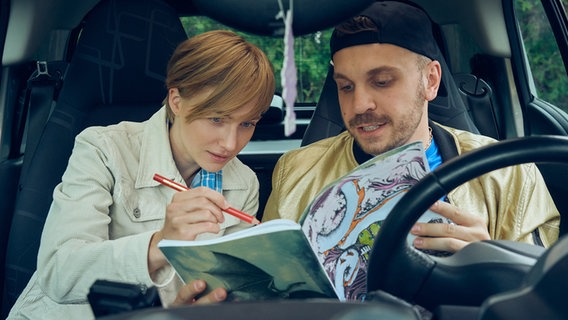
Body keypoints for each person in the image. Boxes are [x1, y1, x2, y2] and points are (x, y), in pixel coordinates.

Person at [262, 0, 560, 301]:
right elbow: (264, 290)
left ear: (430, 80)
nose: (359, 105)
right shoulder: (296, 174)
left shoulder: (506, 172)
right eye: (346, 87)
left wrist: (492, 263)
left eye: (381, 82)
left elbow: (544, 299)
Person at [8, 30, 275, 319]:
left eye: (247, 123)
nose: (231, 143)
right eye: (216, 119)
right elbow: (59, 273)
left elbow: (223, 288)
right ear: (176, 101)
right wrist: (161, 243)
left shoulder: (243, 183)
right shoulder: (103, 148)